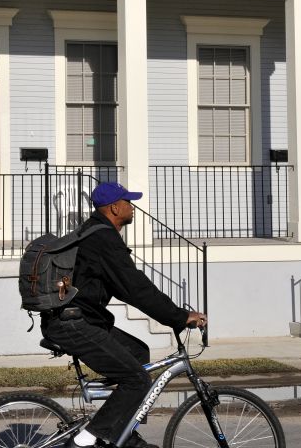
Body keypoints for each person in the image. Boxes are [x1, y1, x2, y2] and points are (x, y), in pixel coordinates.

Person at [41, 181, 207, 448]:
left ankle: (123, 434)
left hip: (78, 320)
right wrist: (179, 316)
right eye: (128, 202)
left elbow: (125, 286)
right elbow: (135, 288)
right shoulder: (103, 238)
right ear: (115, 208)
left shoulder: (97, 232)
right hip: (73, 324)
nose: (132, 206)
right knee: (137, 379)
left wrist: (172, 314)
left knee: (138, 354)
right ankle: (86, 439)